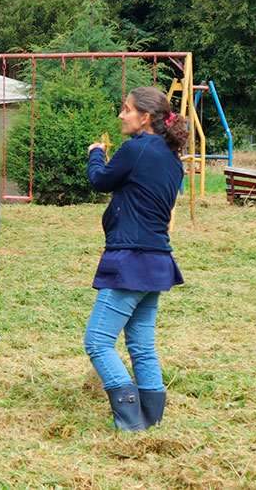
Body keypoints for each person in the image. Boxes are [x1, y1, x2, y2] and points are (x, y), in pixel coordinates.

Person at [84, 87, 188, 432]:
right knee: (141, 343)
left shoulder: (136, 149)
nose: (120, 115)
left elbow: (100, 181)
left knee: (97, 341)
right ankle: (151, 419)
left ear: (145, 117)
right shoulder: (173, 159)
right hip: (157, 260)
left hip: (130, 260)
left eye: (125, 109)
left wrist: (96, 154)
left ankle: (130, 424)